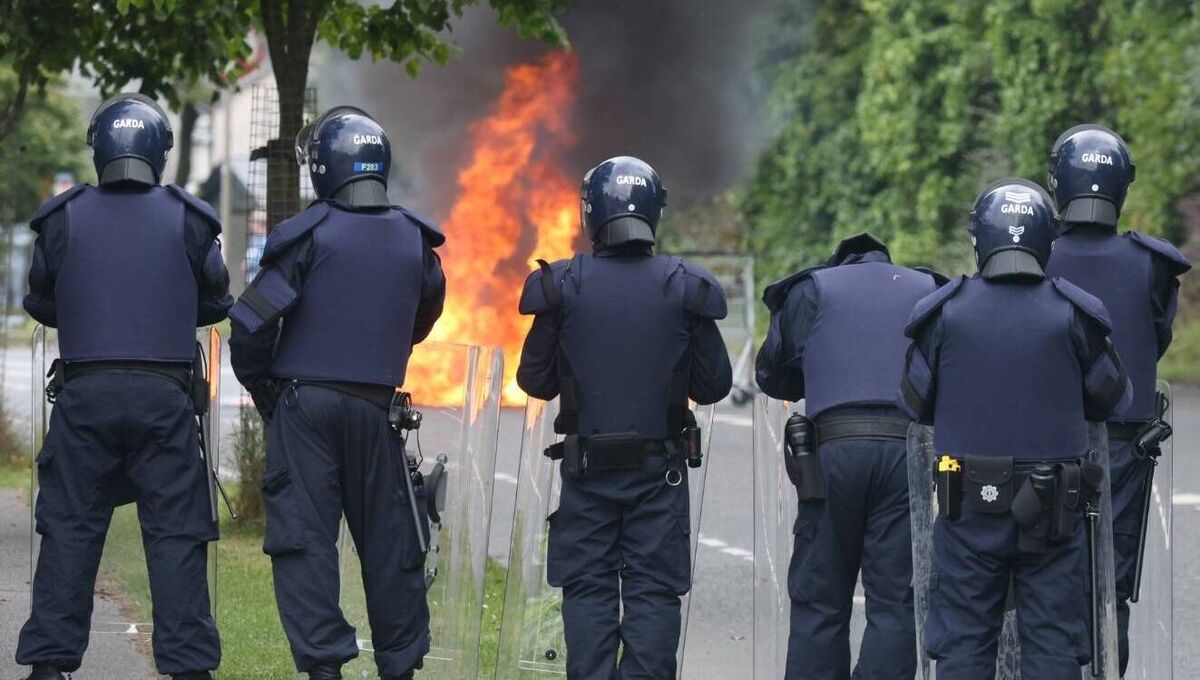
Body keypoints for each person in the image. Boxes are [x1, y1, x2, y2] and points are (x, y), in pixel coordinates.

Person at [17, 93, 231, 680]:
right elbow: (215, 299)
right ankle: (190, 669)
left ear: (99, 151)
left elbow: (41, 299)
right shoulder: (192, 218)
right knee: (176, 534)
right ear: (161, 153)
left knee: (70, 528)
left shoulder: (61, 218)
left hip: (85, 398)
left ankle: (49, 667)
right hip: (165, 400)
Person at [228, 106, 446, 680]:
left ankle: (325, 669)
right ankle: (400, 667)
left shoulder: (305, 235)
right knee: (393, 547)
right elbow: (424, 314)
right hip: (379, 412)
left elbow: (250, 324)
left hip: (307, 409)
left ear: (324, 169)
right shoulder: (416, 241)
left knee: (305, 544)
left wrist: (267, 392)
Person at [899, 179, 1131, 679]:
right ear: (1048, 239)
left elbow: (914, 402)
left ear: (979, 239)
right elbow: (1115, 399)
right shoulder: (1075, 312)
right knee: (1053, 646)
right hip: (1054, 508)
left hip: (966, 503)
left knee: (963, 645)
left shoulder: (944, 313)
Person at [516, 156, 732, 679]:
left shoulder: (562, 285)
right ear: (654, 213)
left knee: (588, 587)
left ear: (591, 214)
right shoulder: (686, 287)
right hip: (659, 473)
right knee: (653, 588)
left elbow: (533, 380)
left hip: (587, 473)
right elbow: (714, 385)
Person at [756, 233, 945, 680]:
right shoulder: (929, 290)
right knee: (896, 602)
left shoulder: (811, 289)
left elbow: (772, 375)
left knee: (819, 598)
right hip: (906, 455)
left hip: (830, 457)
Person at [1045, 124, 1191, 672]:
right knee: (1111, 583)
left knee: (1042, 581)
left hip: (1045, 443)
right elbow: (1157, 338)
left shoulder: (1037, 256)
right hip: (1127, 444)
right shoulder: (1153, 264)